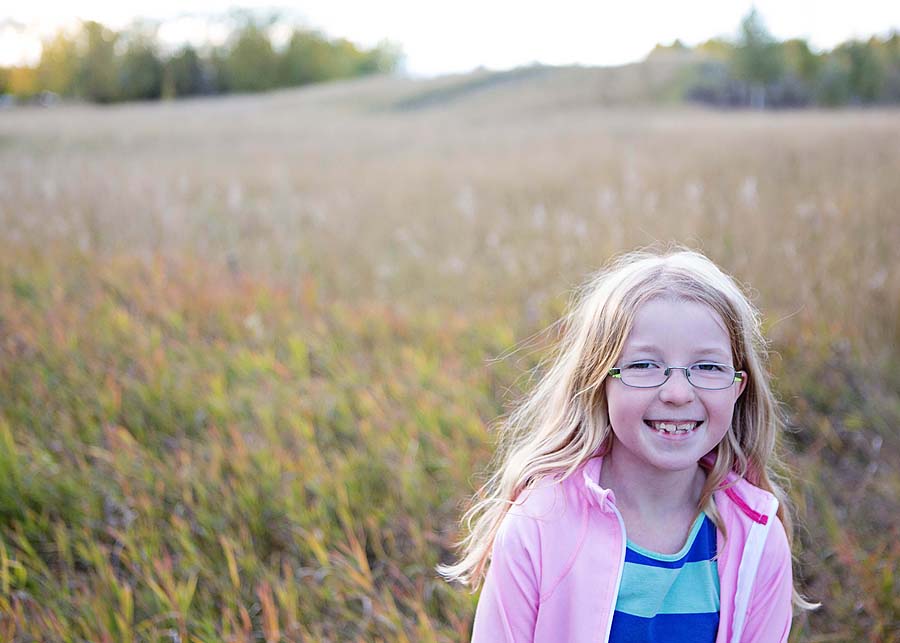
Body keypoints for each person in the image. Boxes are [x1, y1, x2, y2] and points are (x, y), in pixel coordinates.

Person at [438, 247, 816, 642]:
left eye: (707, 366)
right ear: (599, 380)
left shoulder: (756, 540)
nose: (676, 392)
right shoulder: (539, 526)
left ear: (737, 388)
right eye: (643, 365)